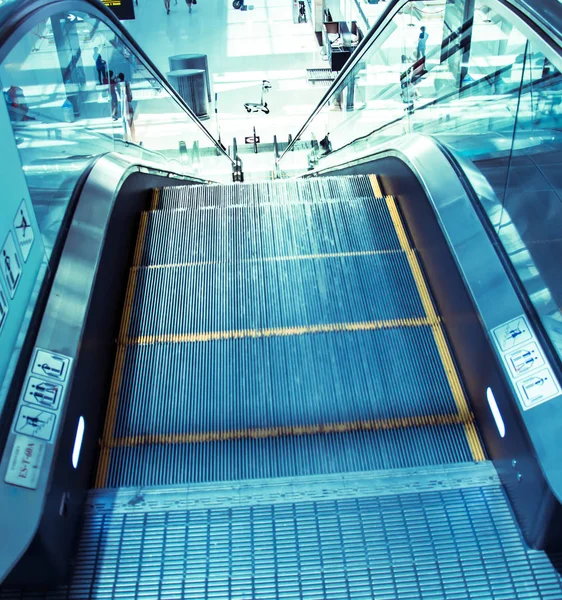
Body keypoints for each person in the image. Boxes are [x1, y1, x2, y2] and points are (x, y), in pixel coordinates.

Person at [117, 72, 136, 142]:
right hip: (127, 103)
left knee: (126, 122)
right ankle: (132, 138)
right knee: (130, 122)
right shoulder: (126, 83)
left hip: (124, 104)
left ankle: (128, 138)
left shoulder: (119, 85)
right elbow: (129, 92)